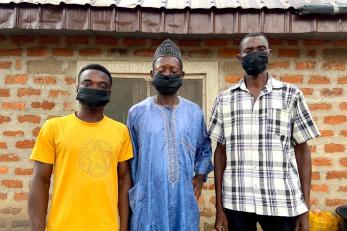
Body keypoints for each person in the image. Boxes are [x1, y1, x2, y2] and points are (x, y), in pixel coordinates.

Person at [208, 33, 320, 231]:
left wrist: (304, 208)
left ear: (269, 53)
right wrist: (219, 208)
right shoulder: (224, 100)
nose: (255, 54)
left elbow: (303, 151)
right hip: (237, 201)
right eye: (248, 51)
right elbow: (220, 153)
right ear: (239, 57)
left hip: (281, 200)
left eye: (260, 49)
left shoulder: (290, 95)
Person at [28, 64, 133, 231]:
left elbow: (124, 180)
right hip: (62, 226)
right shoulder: (53, 128)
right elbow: (40, 180)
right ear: (77, 88)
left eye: (102, 86)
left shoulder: (120, 132)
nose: (95, 88)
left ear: (109, 93)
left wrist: (124, 228)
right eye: (87, 83)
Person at [127, 39, 213, 231]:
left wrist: (199, 177)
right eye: (162, 70)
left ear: (182, 75)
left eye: (173, 71)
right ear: (152, 74)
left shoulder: (194, 112)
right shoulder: (137, 113)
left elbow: (205, 149)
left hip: (183, 197)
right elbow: (129, 158)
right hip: (148, 197)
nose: (167, 74)